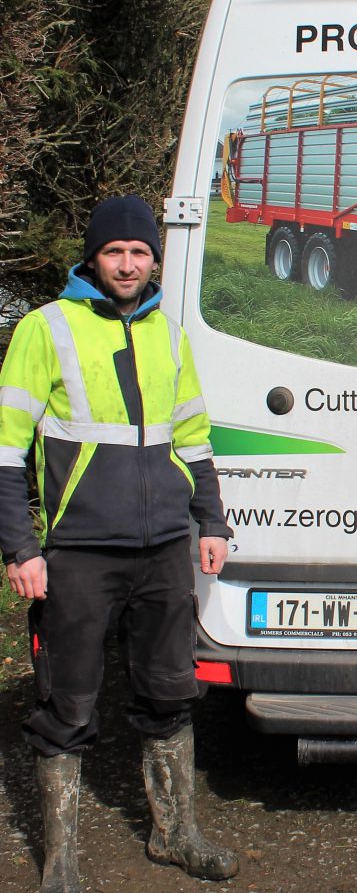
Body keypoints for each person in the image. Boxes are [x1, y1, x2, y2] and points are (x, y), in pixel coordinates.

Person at [0, 195, 238, 891]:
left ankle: (176, 836)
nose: (128, 265)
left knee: (170, 694)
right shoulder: (46, 328)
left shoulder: (170, 335)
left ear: (153, 260)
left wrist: (212, 522)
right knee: (67, 706)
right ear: (93, 258)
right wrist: (20, 549)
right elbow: (6, 451)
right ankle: (61, 863)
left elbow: (193, 438)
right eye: (114, 252)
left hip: (162, 549)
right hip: (77, 552)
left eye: (139, 253)